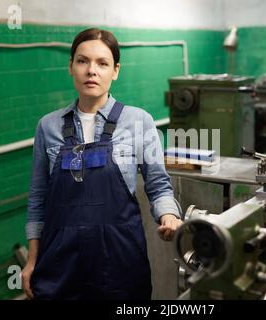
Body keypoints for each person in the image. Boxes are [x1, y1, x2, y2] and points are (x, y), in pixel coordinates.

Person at [21, 28, 183, 300]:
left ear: (115, 70)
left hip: (120, 262)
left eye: (102, 63)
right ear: (71, 67)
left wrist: (169, 216)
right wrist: (32, 260)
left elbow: (158, 185)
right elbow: (38, 199)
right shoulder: (47, 126)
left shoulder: (138, 121)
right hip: (60, 264)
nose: (91, 71)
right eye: (83, 61)